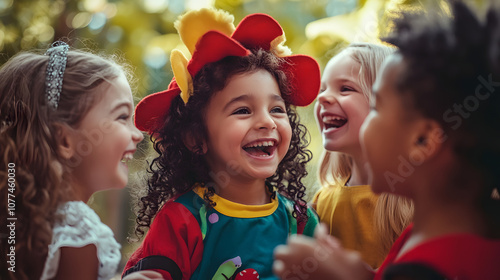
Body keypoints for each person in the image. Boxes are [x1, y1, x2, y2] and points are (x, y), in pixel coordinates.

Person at [273, 1, 500, 279]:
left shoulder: (436, 265)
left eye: (377, 107)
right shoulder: (432, 236)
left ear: (423, 140)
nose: (323, 99)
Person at [122, 8, 321, 280]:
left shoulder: (300, 222)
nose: (267, 122)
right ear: (196, 138)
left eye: (277, 109)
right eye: (242, 111)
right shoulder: (181, 219)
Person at [0, 42, 145, 280]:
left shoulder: (22, 224)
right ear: (64, 140)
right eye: (122, 116)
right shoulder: (77, 232)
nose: (138, 134)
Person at [312, 42, 413, 268]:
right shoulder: (319, 205)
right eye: (322, 89)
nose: (323, 98)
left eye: (345, 88)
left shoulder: (419, 202)